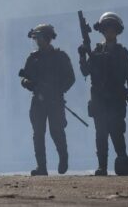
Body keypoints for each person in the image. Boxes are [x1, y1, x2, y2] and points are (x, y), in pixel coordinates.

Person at [78, 12, 128, 176]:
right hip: (99, 99)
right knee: (101, 134)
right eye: (106, 29)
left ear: (117, 31)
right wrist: (82, 55)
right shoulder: (96, 51)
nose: (109, 32)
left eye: (112, 29)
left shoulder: (122, 52)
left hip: (116, 99)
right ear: (103, 31)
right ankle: (102, 167)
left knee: (117, 132)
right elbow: (85, 71)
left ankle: (123, 163)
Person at [19, 24, 75, 176]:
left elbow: (70, 78)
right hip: (38, 101)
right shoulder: (33, 58)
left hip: (55, 101)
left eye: (39, 37)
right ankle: (41, 167)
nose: (37, 41)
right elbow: (25, 78)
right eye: (36, 38)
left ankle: (63, 157)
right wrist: (28, 84)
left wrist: (57, 91)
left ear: (47, 38)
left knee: (56, 131)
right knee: (38, 133)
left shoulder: (60, 57)